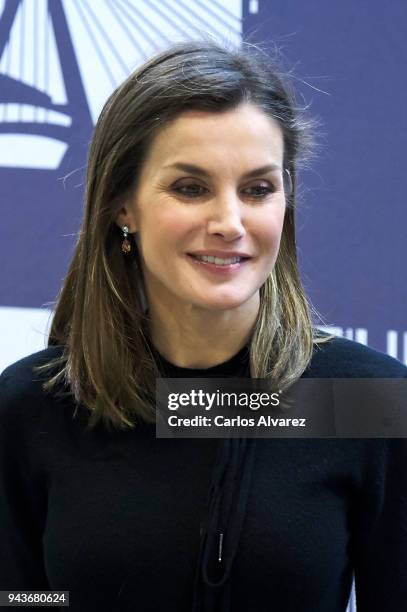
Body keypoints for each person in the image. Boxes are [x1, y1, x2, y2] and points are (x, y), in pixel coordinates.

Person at [0, 38, 406, 612]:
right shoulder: (32, 406)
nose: (229, 222)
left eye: (258, 189)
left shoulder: (366, 402)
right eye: (190, 188)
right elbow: (22, 597)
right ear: (123, 206)